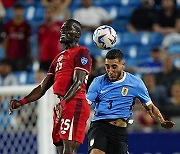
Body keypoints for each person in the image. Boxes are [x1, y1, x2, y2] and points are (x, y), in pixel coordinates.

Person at [9, 19, 92, 154]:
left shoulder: (82, 52)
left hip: (74, 103)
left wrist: (64, 103)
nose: (62, 32)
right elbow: (42, 87)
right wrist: (22, 101)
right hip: (62, 105)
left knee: (68, 151)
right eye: (62, 30)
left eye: (67, 29)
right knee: (60, 150)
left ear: (77, 34)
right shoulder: (58, 58)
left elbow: (78, 83)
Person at [86, 49, 175, 154]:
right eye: (107, 66)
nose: (110, 70)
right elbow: (85, 104)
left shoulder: (135, 83)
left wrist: (162, 121)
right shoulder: (98, 82)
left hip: (120, 130)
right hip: (99, 126)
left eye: (114, 66)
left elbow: (150, 107)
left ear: (123, 65)